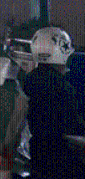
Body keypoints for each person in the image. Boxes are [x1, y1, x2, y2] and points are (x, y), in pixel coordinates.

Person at [24, 27, 85, 179]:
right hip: (60, 162)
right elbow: (74, 130)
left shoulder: (28, 79)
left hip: (37, 155)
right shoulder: (63, 88)